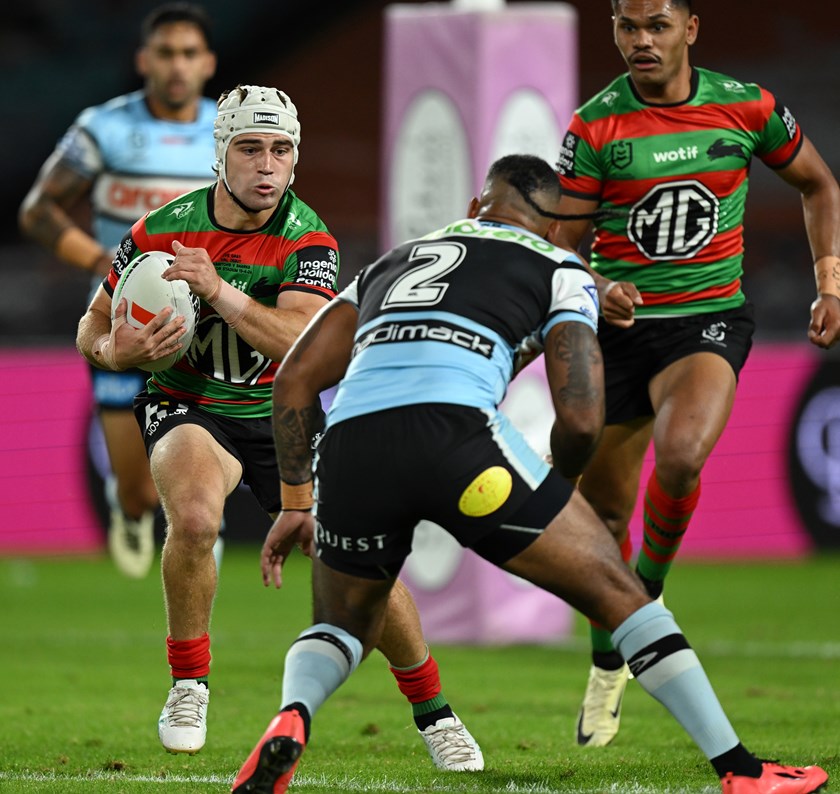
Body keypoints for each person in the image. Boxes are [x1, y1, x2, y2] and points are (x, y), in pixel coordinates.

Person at [231, 154, 828, 794]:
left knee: (341, 623)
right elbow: (579, 417)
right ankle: (742, 772)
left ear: (475, 207)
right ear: (552, 227)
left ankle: (292, 717)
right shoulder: (560, 267)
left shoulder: (393, 259)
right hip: (456, 442)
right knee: (620, 593)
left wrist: (297, 501)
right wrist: (563, 488)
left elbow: (294, 379)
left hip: (350, 451)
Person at [75, 84, 482, 771]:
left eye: (282, 150)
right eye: (251, 147)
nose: (268, 165)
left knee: (354, 562)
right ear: (220, 154)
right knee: (197, 520)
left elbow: (299, 343)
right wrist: (118, 352)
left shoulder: (308, 238)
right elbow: (91, 325)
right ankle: (188, 684)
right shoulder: (158, 230)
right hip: (190, 403)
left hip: (281, 412)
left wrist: (218, 291)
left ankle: (434, 711)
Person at [550, 0, 840, 749]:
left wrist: (829, 281)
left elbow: (819, 185)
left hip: (706, 322)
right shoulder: (594, 127)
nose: (640, 41)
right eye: (625, 27)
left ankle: (646, 595)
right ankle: (608, 660)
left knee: (680, 457)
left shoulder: (747, 107)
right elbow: (563, 244)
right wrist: (593, 285)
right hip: (617, 333)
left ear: (690, 29)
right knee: (605, 520)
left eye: (656, 25)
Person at [19, 2, 221, 580]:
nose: (177, 66)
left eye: (188, 54)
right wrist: (105, 262)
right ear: (143, 59)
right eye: (165, 53)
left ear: (207, 62)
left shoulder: (229, 138)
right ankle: (128, 508)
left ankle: (202, 516)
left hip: (203, 324)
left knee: (199, 469)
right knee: (138, 490)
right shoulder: (103, 128)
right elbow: (38, 211)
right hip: (119, 321)